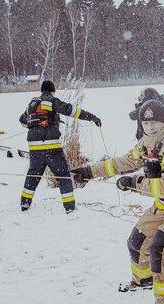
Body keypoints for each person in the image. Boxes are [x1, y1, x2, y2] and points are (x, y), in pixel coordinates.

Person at [70, 100, 164, 304]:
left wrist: (134, 183)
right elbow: (123, 163)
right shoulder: (146, 142)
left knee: (161, 247)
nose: (150, 127)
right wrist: (89, 172)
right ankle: (143, 280)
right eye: (146, 122)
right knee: (136, 241)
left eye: (155, 122)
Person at [18, 80, 101, 214]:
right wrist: (92, 117)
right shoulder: (50, 100)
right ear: (52, 91)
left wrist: (36, 125)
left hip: (34, 149)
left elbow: (22, 121)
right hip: (51, 147)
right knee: (63, 176)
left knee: (33, 175)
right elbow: (71, 111)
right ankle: (70, 208)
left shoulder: (32, 104)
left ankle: (24, 205)